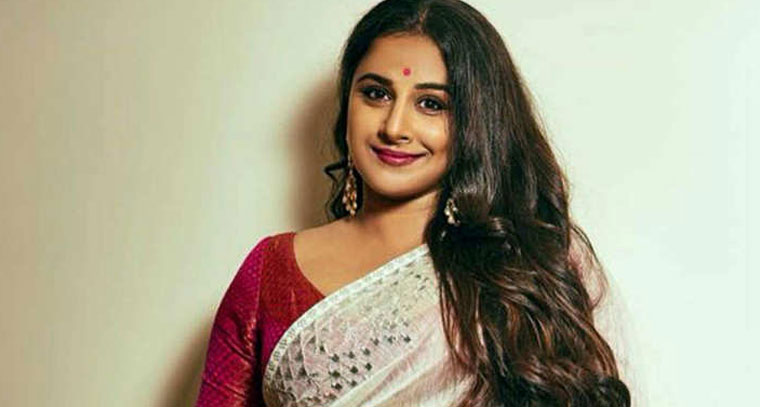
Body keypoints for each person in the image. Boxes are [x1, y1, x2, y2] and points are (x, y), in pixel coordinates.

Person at [196, 0, 632, 406]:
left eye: (431, 104)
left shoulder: (535, 264)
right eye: (376, 94)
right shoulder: (271, 273)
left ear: (476, 122)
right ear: (347, 102)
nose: (395, 127)